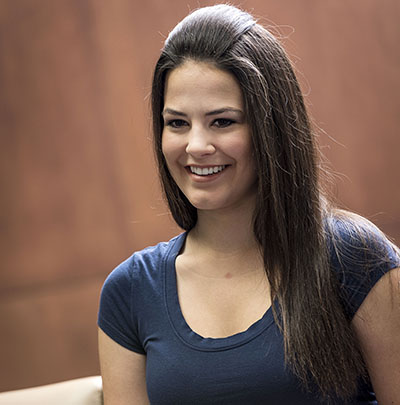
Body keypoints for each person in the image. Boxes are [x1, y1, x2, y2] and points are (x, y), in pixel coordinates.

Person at [97, 4, 400, 404]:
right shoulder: (130, 291)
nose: (196, 146)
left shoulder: (354, 257)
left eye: (222, 121)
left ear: (270, 128)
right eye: (177, 123)